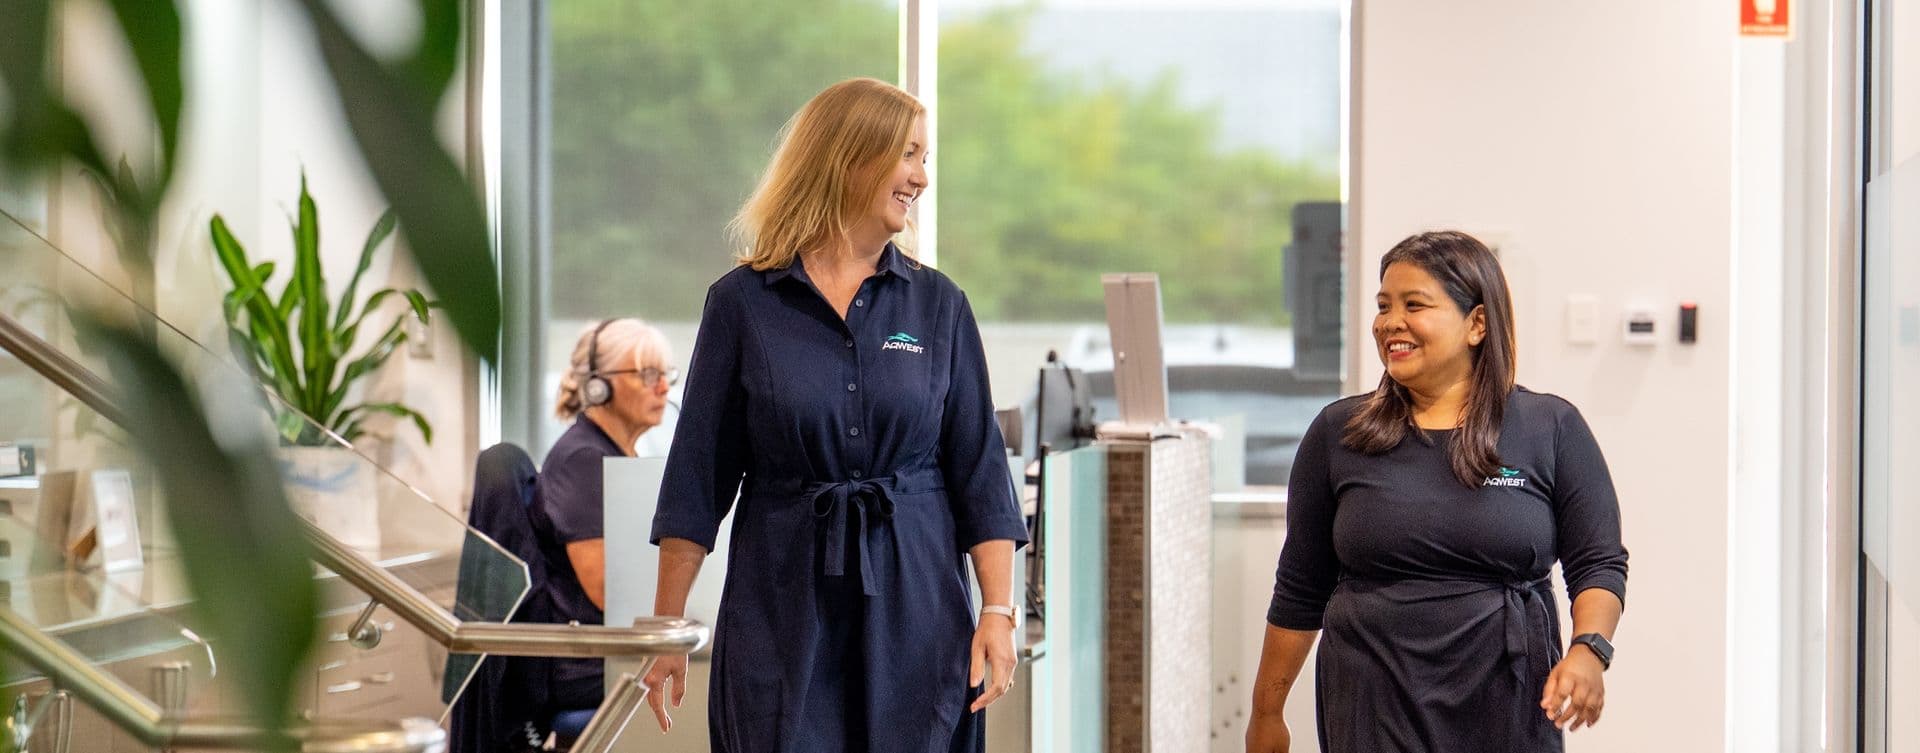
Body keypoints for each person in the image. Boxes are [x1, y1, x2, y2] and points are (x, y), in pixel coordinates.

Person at [644, 77, 1029, 753]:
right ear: (851, 157)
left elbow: (981, 477)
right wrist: (666, 629)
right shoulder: (742, 304)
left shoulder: (939, 307)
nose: (921, 177)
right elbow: (696, 481)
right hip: (782, 607)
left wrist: (997, 610)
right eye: (909, 155)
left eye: (925, 158)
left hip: (919, 609)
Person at [1245, 231, 1629, 753]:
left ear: (1476, 323)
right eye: (1383, 306)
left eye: (1414, 305)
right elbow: (1300, 587)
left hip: (1506, 700)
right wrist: (1267, 711)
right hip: (1371, 703)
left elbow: (1598, 561)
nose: (1389, 323)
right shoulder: (1339, 432)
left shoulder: (1550, 427)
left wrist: (1589, 650)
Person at [528, 317, 677, 714]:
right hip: (589, 665)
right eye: (648, 375)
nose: (663, 387)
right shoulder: (584, 461)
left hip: (610, 652)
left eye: (665, 375)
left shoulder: (617, 457)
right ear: (600, 385)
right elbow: (607, 592)